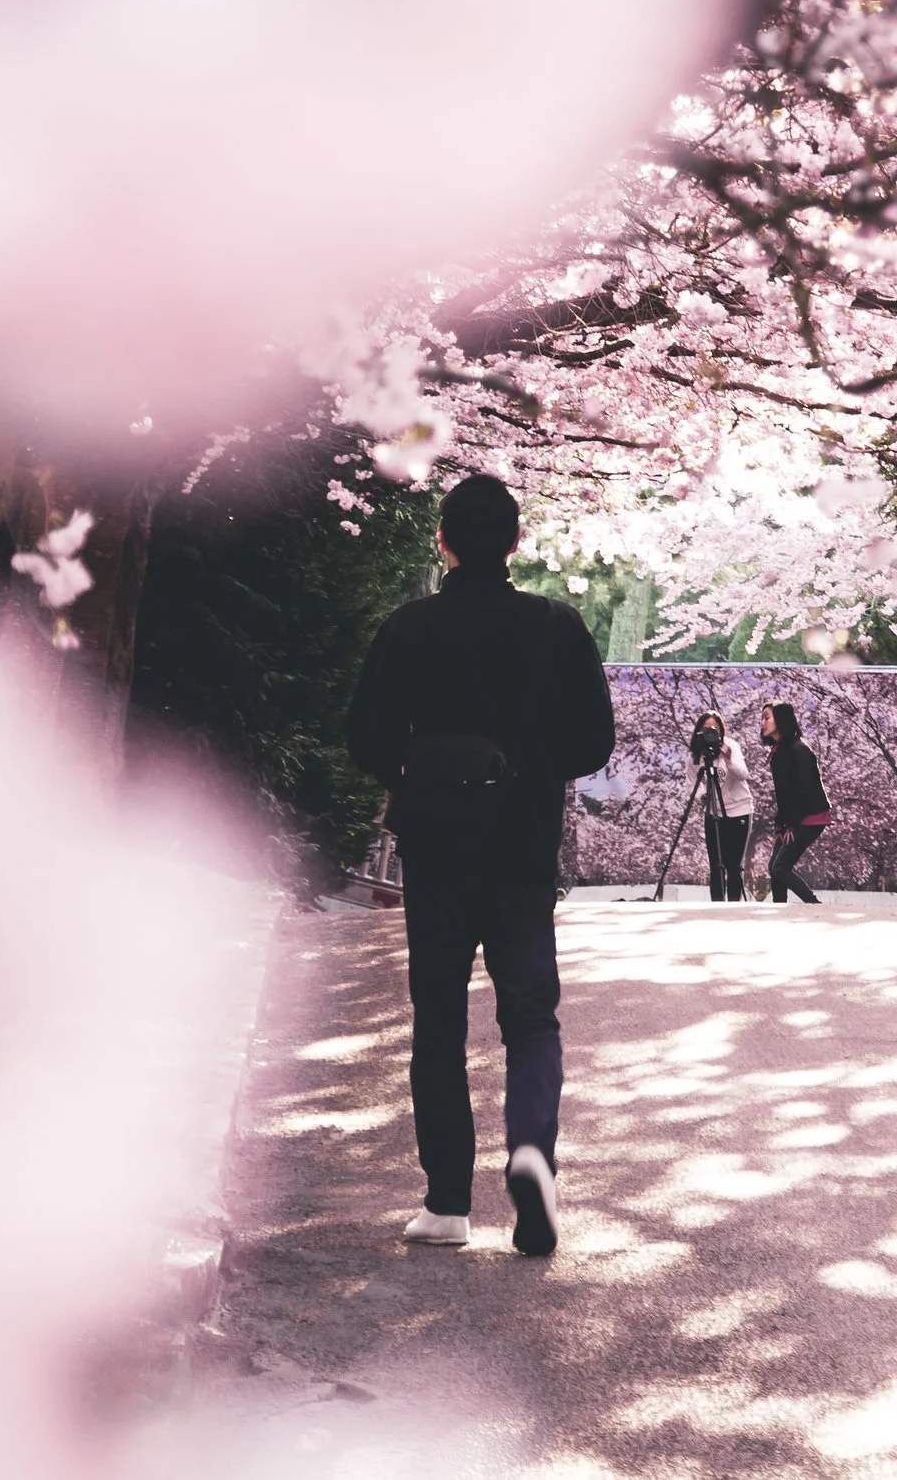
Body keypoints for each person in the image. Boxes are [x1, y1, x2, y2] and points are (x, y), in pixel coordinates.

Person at [347, 474, 614, 1254]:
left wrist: (418, 772)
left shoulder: (408, 628)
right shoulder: (556, 627)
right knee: (531, 1018)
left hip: (437, 851)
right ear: (517, 543)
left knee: (439, 1021)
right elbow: (595, 742)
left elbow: (364, 736)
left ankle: (448, 1205)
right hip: (523, 850)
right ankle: (531, 1148)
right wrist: (531, 769)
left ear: (443, 541)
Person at [759, 699, 833, 905]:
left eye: (767, 717)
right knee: (774, 866)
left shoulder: (799, 750)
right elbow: (784, 795)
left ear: (781, 720)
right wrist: (780, 825)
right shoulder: (778, 753)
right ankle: (779, 908)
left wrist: (791, 824)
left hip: (811, 817)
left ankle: (813, 904)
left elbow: (804, 791)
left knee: (780, 867)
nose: (762, 722)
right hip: (794, 818)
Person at [691, 708, 753, 900]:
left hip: (739, 810)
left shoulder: (730, 746)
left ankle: (734, 909)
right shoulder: (696, 754)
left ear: (721, 731)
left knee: (734, 866)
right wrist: (702, 795)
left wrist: (728, 758)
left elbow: (743, 774)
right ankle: (716, 907)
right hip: (713, 812)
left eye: (714, 729)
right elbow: (692, 780)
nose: (710, 733)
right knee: (716, 865)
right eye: (706, 729)